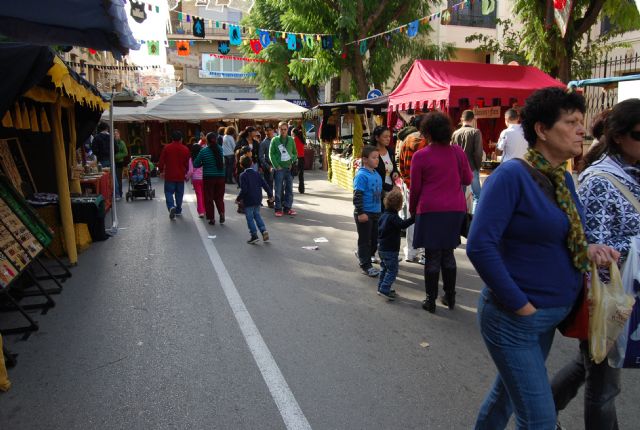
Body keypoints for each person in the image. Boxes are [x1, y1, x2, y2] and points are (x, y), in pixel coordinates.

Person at [466, 87, 619, 430]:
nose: (582, 130)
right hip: (514, 319)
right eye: (571, 122)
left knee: (506, 397)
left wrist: (591, 250)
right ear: (542, 129)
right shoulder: (511, 176)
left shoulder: (562, 178)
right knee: (539, 419)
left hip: (547, 317)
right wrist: (520, 304)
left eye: (582, 122)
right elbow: (479, 245)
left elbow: (561, 235)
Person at [551, 98, 640, 430]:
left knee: (590, 363)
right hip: (610, 296)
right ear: (618, 136)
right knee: (604, 386)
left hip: (631, 293)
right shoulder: (601, 180)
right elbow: (592, 245)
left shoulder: (635, 173)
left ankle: (539, 411)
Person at [410, 112, 472, 313]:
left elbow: (416, 189)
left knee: (432, 255)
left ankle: (430, 300)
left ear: (427, 132)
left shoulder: (420, 156)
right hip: (454, 209)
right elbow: (468, 179)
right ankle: (450, 296)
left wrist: (413, 211)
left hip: (430, 210)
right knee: (448, 254)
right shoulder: (457, 152)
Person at [398, 116, 427, 263]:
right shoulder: (427, 141)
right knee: (425, 219)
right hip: (426, 186)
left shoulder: (406, 141)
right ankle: (423, 252)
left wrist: (406, 180)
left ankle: (410, 251)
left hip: (409, 185)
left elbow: (401, 164)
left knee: (411, 216)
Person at [377, 188, 414, 300]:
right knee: (393, 270)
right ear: (398, 205)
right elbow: (402, 225)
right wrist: (414, 218)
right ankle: (384, 288)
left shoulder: (383, 215)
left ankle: (381, 287)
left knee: (384, 268)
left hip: (382, 248)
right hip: (390, 250)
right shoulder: (393, 217)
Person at [354, 145, 383, 277]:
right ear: (365, 160)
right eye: (374, 157)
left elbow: (380, 193)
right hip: (365, 212)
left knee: (374, 239)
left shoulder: (376, 174)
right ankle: (365, 264)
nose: (377, 160)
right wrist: (360, 212)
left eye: (378, 157)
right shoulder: (361, 175)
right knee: (365, 240)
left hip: (376, 212)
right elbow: (357, 195)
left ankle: (363, 254)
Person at [452, 109, 484, 213]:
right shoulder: (476, 132)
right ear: (473, 119)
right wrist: (478, 167)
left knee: (460, 195)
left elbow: (451, 152)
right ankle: (474, 220)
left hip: (458, 168)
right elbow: (478, 153)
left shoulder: (455, 133)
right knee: (477, 195)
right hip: (472, 167)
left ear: (462, 119)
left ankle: (461, 219)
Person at [237, 155, 273, 244]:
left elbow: (244, 190)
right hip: (257, 199)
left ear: (241, 165)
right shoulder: (257, 174)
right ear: (252, 163)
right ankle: (263, 230)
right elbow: (265, 185)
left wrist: (238, 198)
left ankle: (254, 235)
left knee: (249, 218)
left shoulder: (242, 175)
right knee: (257, 215)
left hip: (248, 200)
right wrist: (270, 194)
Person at [194, 131, 226, 225]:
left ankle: (211, 218)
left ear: (206, 140)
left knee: (209, 198)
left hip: (209, 178)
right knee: (219, 197)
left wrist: (203, 163)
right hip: (221, 177)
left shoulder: (203, 151)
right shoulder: (220, 149)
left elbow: (196, 164)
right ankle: (221, 212)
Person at [158, 130, 190, 220]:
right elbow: (187, 163)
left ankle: (171, 206)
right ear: (181, 139)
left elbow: (161, 161)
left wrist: (161, 171)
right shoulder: (185, 149)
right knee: (179, 193)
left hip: (169, 174)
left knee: (168, 192)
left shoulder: (166, 148)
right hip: (180, 174)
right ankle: (178, 209)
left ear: (171, 138)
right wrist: (187, 172)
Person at [269, 121, 298, 217]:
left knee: (289, 189)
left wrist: (291, 161)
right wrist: (276, 165)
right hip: (279, 169)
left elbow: (295, 153)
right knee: (278, 189)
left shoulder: (291, 140)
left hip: (288, 169)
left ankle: (287, 208)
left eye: (285, 129)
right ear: (278, 129)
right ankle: (278, 208)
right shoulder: (275, 140)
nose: (283, 131)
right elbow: (271, 154)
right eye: (281, 129)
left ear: (287, 130)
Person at [372, 125, 399, 197]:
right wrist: (391, 188)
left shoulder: (390, 151)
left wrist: (395, 172)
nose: (388, 139)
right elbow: (374, 178)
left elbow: (394, 165)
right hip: (378, 192)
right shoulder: (372, 154)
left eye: (389, 136)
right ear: (377, 138)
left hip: (390, 191)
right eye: (385, 137)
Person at [186, 144, 205, 218]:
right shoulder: (203, 158)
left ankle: (201, 212)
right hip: (204, 178)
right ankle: (205, 209)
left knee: (199, 195)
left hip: (196, 179)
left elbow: (190, 171)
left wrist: (187, 177)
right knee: (204, 195)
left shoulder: (191, 159)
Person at [259, 124, 275, 196]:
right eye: (267, 130)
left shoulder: (277, 140)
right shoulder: (263, 143)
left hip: (278, 165)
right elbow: (261, 157)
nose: (268, 132)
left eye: (270, 130)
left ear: (273, 130)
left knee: (280, 185)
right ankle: (271, 200)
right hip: (268, 166)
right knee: (269, 186)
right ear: (265, 132)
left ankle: (280, 201)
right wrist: (268, 167)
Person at [113, 129, 128, 200]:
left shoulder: (122, 143)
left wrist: (117, 156)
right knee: (113, 178)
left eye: (116, 134)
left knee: (118, 178)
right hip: (113, 162)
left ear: (119, 135)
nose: (115, 135)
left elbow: (125, 153)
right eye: (114, 134)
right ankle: (115, 193)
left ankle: (120, 193)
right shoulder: (112, 142)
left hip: (119, 162)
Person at [292, 127, 306, 194]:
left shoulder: (294, 139)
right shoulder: (302, 139)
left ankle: (289, 188)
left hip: (296, 158)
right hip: (302, 158)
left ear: (294, 133)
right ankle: (302, 189)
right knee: (301, 175)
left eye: (292, 132)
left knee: (292, 174)